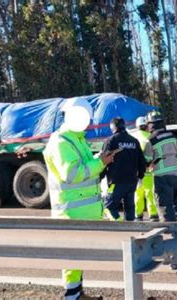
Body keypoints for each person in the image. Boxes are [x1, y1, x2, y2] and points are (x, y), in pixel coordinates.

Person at [43, 98, 115, 300]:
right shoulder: (61, 142)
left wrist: (100, 158)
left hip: (82, 211)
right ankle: (71, 296)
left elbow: (85, 166)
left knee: (77, 257)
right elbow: (73, 174)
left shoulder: (77, 139)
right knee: (72, 258)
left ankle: (77, 294)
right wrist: (100, 163)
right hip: (71, 212)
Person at [102, 117, 146, 221]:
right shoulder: (134, 141)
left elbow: (103, 161)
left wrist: (100, 177)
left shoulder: (110, 141)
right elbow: (142, 161)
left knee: (108, 207)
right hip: (132, 181)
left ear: (112, 127)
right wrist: (140, 176)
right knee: (130, 208)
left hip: (116, 181)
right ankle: (129, 229)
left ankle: (118, 225)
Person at [145, 111, 177, 223]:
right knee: (175, 202)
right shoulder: (173, 136)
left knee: (164, 205)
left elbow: (147, 160)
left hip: (162, 177)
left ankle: (170, 227)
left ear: (150, 124)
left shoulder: (151, 140)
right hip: (176, 175)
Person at [131, 116, 158, 221]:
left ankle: (138, 215)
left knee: (138, 194)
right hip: (148, 172)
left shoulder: (133, 137)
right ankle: (153, 215)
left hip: (136, 173)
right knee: (150, 194)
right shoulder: (151, 138)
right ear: (147, 126)